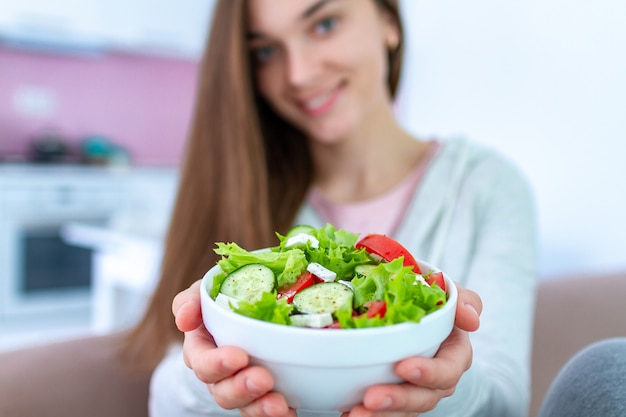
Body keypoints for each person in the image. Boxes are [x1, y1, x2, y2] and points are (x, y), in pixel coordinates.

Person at [120, 1, 539, 417]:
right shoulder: (239, 183)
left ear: (388, 22)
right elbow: (166, 402)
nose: (299, 74)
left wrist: (441, 388)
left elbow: (505, 404)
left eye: (324, 24)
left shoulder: (486, 187)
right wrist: (208, 376)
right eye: (265, 51)